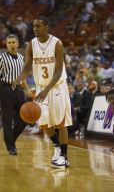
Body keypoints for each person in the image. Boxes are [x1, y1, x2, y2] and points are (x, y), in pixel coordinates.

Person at [13, 16, 72, 168]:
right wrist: (19, 78)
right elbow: (26, 67)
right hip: (41, 88)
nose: (35, 29)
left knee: (61, 124)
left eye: (38, 26)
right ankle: (57, 147)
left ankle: (65, 157)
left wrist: (47, 90)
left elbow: (58, 72)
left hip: (57, 87)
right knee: (44, 124)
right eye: (34, 26)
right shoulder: (31, 45)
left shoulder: (57, 44)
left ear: (46, 26)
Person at [0, 34, 30, 155]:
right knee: (7, 119)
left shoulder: (21, 58)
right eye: (9, 43)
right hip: (5, 89)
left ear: (17, 44)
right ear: (6, 44)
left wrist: (27, 89)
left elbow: (22, 78)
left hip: (18, 89)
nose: (12, 44)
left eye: (13, 42)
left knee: (25, 117)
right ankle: (11, 147)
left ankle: (10, 138)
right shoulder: (1, 58)